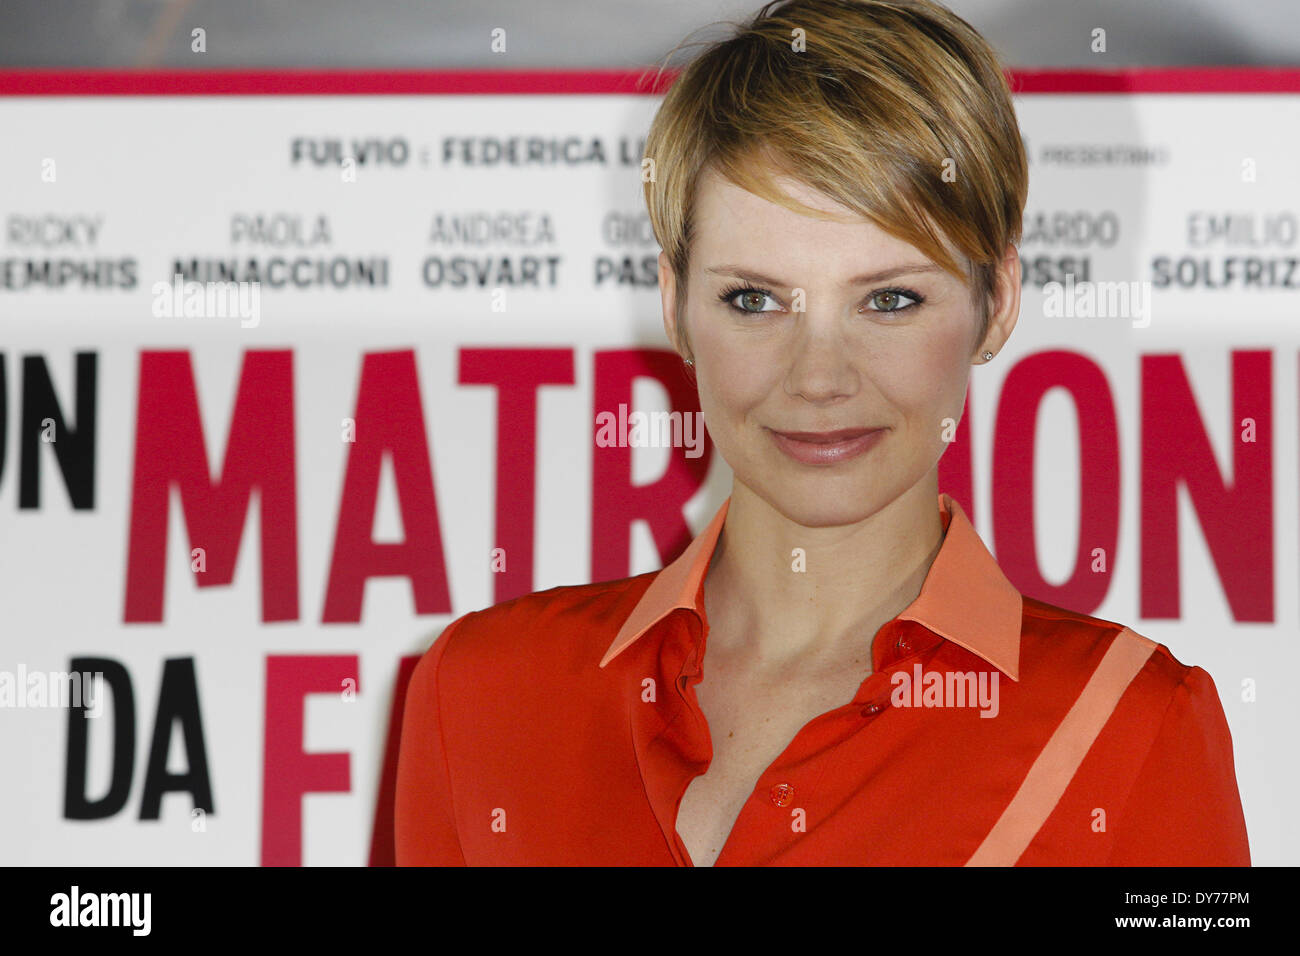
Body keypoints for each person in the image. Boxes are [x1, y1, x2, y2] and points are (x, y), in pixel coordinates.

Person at [395, 0, 1250, 865]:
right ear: (675, 305)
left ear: (998, 304)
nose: (817, 377)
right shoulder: (479, 692)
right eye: (754, 299)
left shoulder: (1128, 726)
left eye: (890, 299)